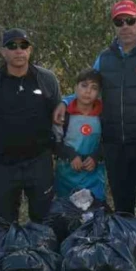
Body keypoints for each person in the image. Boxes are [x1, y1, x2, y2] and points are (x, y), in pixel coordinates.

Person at [62, 0, 136, 217]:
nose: (125, 26)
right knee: (123, 210)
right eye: (119, 21)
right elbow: (87, 90)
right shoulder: (104, 59)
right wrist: (65, 102)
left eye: (130, 20)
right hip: (115, 147)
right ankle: (130, 250)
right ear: (114, 26)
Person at [0, 29, 62, 224]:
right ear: (3, 52)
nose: (18, 51)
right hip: (3, 164)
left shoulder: (46, 78)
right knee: (4, 221)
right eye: (12, 46)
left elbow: (58, 110)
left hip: (39, 161)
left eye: (23, 46)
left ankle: (44, 253)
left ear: (30, 50)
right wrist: (5, 136)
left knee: (44, 219)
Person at [53, 69, 106, 202]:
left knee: (93, 214)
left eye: (94, 88)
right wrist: (70, 155)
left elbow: (109, 141)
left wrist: (96, 157)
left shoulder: (104, 114)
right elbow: (54, 142)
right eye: (84, 85)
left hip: (93, 176)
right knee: (67, 214)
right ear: (75, 87)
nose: (88, 91)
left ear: (99, 93)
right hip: (66, 175)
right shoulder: (64, 114)